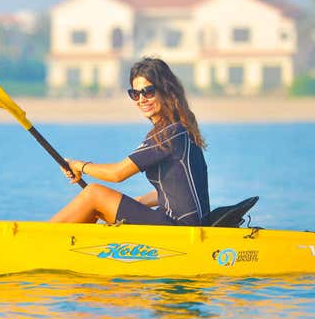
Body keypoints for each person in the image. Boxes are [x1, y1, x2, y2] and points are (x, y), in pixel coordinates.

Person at [50, 57, 210, 226]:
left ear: (166, 91)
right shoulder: (181, 130)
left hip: (180, 230)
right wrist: (134, 204)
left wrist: (78, 165)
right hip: (184, 224)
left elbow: (117, 174)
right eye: (135, 94)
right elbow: (174, 192)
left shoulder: (170, 134)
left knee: (93, 193)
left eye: (148, 92)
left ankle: (36, 239)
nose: (141, 99)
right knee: (101, 204)